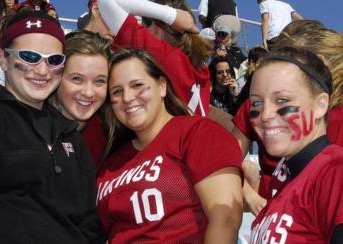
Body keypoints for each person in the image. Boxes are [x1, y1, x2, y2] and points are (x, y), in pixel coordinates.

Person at [97, 48, 243, 243]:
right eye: (117, 91)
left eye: (137, 85)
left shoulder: (198, 133)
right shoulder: (111, 163)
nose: (127, 98)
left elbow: (226, 219)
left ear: (162, 86)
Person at [0, 10, 104, 243]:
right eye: (29, 57)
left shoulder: (72, 136)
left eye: (53, 60)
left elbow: (89, 221)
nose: (43, 71)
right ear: (4, 59)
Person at [232, 20, 343, 215]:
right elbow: (223, 160)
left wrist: (257, 184)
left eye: (289, 60)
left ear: (318, 63)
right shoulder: (257, 105)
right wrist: (249, 192)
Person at [249, 46, 343, 243]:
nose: (265, 115)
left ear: (321, 105)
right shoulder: (284, 177)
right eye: (256, 103)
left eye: (282, 100)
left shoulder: (334, 170)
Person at [50, 29, 111, 131]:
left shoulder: (109, 134)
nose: (88, 93)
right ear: (57, 76)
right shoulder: (28, 132)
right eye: (77, 79)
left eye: (99, 81)